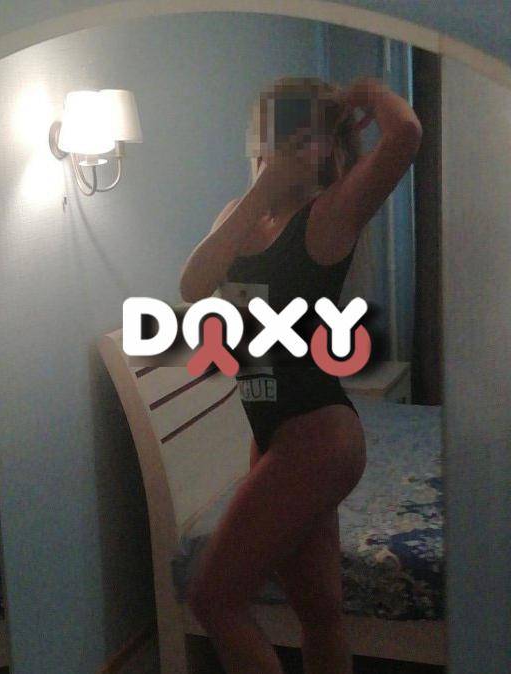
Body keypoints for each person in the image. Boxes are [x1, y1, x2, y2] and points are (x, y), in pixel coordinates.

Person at [179, 75, 422, 674]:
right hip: (271, 435)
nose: (287, 144)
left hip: (318, 435)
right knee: (318, 612)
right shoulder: (239, 215)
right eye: (279, 129)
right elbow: (193, 285)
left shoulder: (331, 213)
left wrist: (366, 94)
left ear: (327, 143)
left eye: (303, 132)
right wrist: (264, 186)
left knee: (213, 599)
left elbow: (406, 133)